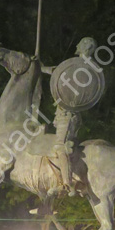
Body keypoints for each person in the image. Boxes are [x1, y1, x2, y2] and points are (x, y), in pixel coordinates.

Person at [41, 37, 98, 196]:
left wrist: (42, 68)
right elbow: (58, 72)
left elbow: (59, 73)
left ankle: (67, 184)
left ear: (85, 47)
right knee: (67, 146)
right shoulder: (79, 67)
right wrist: (40, 67)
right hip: (66, 115)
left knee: (60, 147)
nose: (77, 45)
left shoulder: (82, 68)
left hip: (68, 114)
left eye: (80, 43)